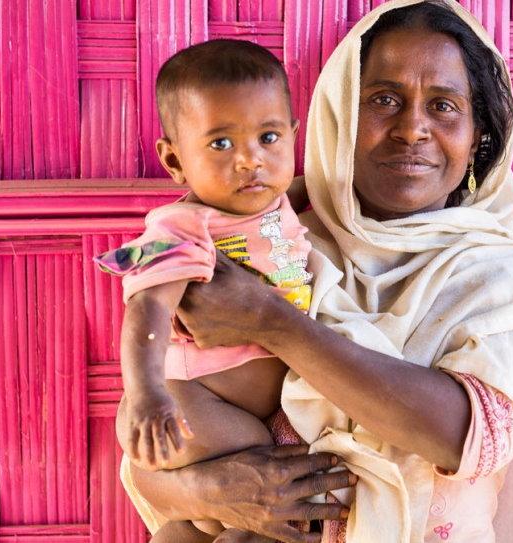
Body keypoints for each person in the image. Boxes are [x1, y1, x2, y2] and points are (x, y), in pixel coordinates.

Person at [117, 1, 513, 541]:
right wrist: (207, 492)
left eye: (443, 106)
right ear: (339, 114)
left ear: (477, 135)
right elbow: (155, 442)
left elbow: (464, 436)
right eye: (384, 100)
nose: (413, 128)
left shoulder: (509, 279)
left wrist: (273, 323)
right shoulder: (274, 244)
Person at [94, 39, 313, 543]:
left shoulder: (270, 201)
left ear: (293, 137)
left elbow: (302, 190)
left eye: (269, 137)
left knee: (204, 526)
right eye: (221, 144)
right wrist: (147, 393)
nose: (250, 161)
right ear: (174, 161)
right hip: (196, 404)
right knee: (263, 483)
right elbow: (147, 308)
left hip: (235, 410)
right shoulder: (186, 228)